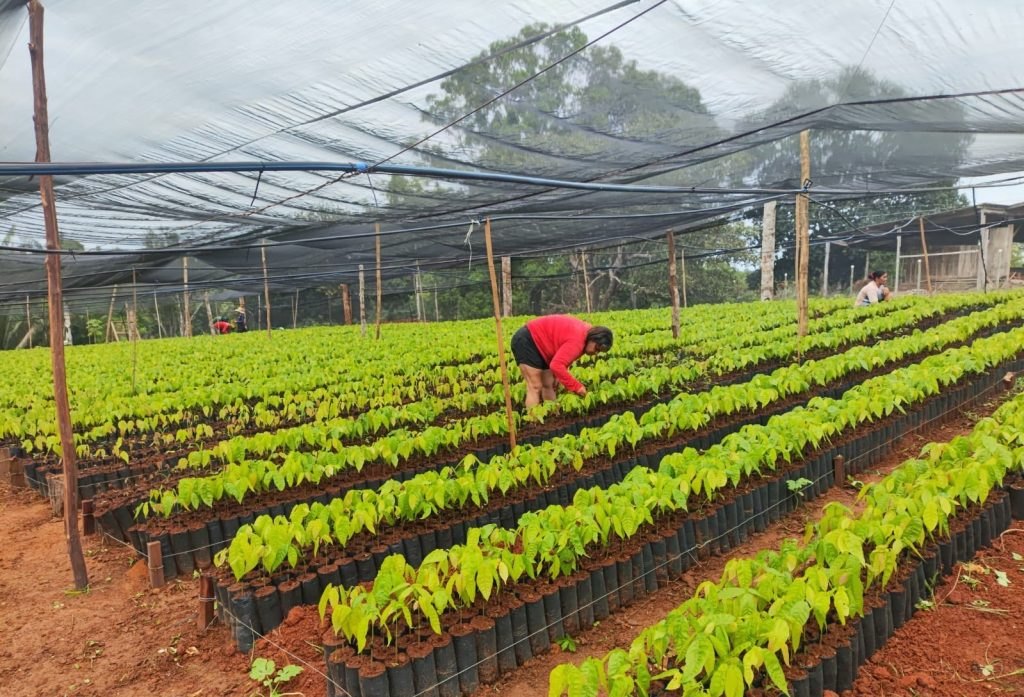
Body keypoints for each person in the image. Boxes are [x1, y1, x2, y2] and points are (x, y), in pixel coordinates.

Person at [510, 314, 613, 408]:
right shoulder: (578, 341)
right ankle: (534, 420)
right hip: (528, 340)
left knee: (549, 384)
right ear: (593, 339)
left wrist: (558, 376)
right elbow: (556, 365)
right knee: (535, 386)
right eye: (596, 348)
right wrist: (576, 387)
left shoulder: (586, 336)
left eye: (599, 351)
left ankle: (552, 415)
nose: (596, 353)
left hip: (544, 345)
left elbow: (564, 358)